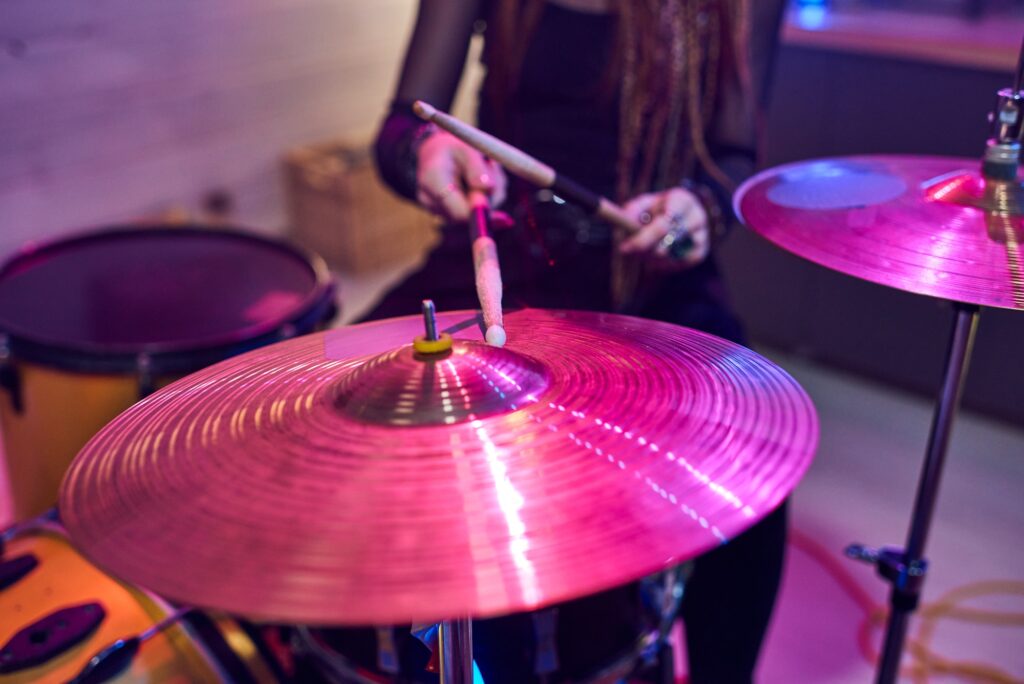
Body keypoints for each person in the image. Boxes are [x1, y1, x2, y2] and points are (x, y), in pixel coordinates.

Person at [363, 1, 788, 682]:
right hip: (505, 258)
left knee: (753, 458)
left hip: (651, 278)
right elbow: (399, 127)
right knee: (338, 406)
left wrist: (700, 207)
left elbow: (733, 154)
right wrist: (425, 151)